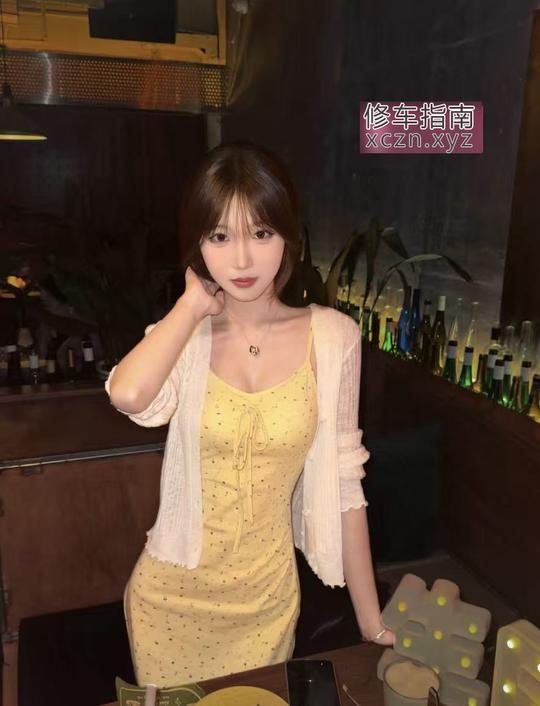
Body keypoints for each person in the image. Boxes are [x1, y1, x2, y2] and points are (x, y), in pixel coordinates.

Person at [105, 141, 394, 688]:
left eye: (260, 233)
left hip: (266, 602)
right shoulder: (184, 337)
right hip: (169, 600)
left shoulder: (333, 338)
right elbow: (129, 394)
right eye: (219, 236)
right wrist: (192, 305)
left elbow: (346, 487)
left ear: (288, 236)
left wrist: (371, 622)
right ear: (198, 245)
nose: (241, 261)